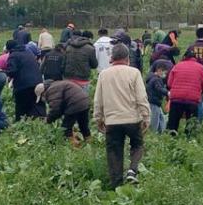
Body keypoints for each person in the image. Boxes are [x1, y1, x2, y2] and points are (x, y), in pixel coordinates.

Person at [94, 44, 150, 187]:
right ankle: (132, 170)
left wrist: (98, 118)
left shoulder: (104, 74)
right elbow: (141, 97)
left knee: (114, 151)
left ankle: (116, 185)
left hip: (112, 121)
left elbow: (98, 99)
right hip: (132, 119)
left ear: (112, 58)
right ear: (127, 58)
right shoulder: (134, 73)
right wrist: (146, 116)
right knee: (137, 144)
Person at [166, 50, 203, 133]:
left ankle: (172, 135)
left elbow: (169, 83)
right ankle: (189, 138)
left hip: (176, 98)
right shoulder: (201, 68)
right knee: (191, 123)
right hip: (192, 100)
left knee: (173, 122)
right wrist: (202, 93)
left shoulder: (177, 66)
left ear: (185, 57)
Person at [43, 79, 92, 146]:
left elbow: (55, 109)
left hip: (75, 103)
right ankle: (90, 143)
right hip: (84, 101)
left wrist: (48, 120)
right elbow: (60, 107)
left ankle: (74, 147)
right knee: (83, 125)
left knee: (66, 128)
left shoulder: (52, 89)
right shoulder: (58, 84)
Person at [6, 40, 42, 120]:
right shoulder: (28, 52)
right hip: (38, 82)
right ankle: (40, 121)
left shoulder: (13, 55)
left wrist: (7, 74)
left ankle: (20, 122)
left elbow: (11, 71)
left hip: (24, 84)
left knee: (21, 106)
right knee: (36, 103)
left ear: (9, 49)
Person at [145, 64, 169, 133]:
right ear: (159, 70)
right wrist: (167, 93)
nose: (165, 75)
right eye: (164, 72)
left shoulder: (152, 78)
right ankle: (153, 134)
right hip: (154, 102)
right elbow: (159, 88)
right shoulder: (156, 79)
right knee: (154, 121)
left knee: (161, 119)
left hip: (155, 102)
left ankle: (160, 133)